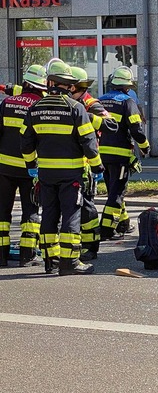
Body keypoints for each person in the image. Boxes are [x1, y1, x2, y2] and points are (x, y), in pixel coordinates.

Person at [21, 59, 104, 275]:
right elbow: (89, 144)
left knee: (49, 214)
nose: (71, 88)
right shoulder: (76, 109)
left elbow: (26, 142)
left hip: (46, 174)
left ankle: (51, 260)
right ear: (65, 86)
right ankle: (70, 263)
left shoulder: (35, 108)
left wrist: (32, 166)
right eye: (70, 85)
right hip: (71, 175)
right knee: (71, 215)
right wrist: (97, 168)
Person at [69, 66, 119, 262]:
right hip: (69, 160)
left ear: (75, 88)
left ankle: (90, 246)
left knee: (86, 205)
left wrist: (86, 116)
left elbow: (111, 124)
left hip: (87, 163)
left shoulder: (90, 104)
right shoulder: (66, 101)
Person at [0, 64, 47, 267]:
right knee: (30, 212)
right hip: (30, 168)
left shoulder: (7, 103)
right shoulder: (40, 106)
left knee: (2, 213)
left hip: (3, 168)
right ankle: (27, 256)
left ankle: (1, 256)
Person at [98, 66, 150, 240]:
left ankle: (124, 223)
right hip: (120, 155)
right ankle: (106, 229)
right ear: (127, 87)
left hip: (101, 155)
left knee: (114, 190)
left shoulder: (100, 101)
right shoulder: (127, 102)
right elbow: (137, 129)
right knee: (116, 194)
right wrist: (145, 147)